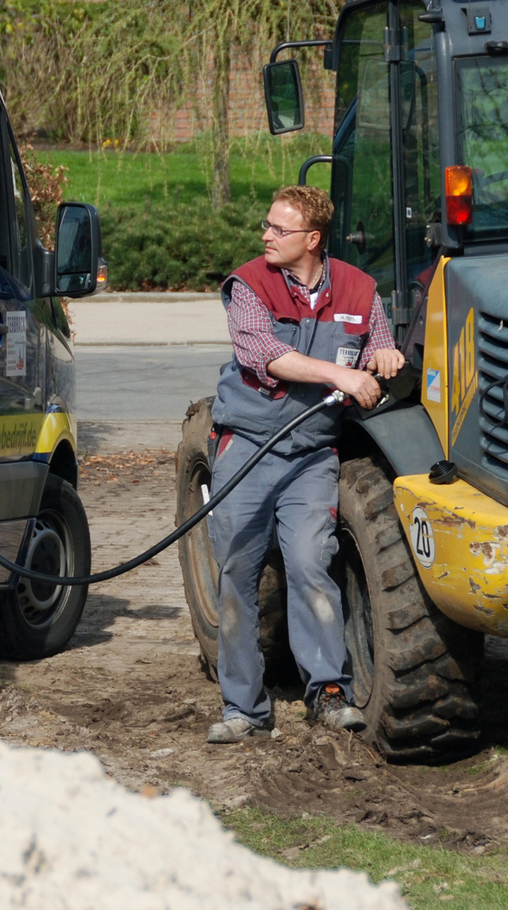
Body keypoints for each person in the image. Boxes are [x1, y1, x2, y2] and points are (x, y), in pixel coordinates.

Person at [204, 185, 405, 743]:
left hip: (312, 454)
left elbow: (377, 350)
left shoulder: (361, 290)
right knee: (236, 575)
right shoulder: (249, 286)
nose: (265, 236)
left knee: (312, 563)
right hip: (247, 447)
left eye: (278, 229)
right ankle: (244, 709)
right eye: (267, 226)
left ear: (312, 240)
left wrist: (383, 357)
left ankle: (330, 692)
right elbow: (266, 356)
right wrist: (340, 374)